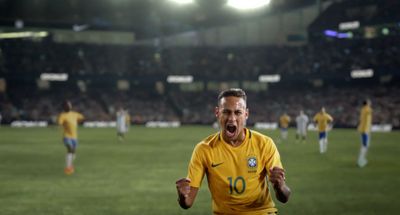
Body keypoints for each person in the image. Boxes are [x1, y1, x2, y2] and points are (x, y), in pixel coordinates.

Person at [176, 88, 291, 214]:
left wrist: (280, 187)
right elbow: (187, 203)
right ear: (217, 112)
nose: (232, 118)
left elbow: (284, 197)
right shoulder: (204, 149)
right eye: (226, 112)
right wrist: (182, 196)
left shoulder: (264, 144)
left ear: (246, 114)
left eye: (238, 112)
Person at [57, 100, 84, 175]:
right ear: (64, 107)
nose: (69, 106)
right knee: (70, 149)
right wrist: (59, 127)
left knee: (73, 152)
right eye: (67, 105)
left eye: (70, 105)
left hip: (74, 137)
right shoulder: (62, 115)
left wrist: (80, 121)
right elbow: (60, 124)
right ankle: (68, 167)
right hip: (67, 136)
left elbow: (82, 118)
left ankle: (70, 165)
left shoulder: (74, 114)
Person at [357, 99, 373, 168]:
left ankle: (362, 159)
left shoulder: (363, 109)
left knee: (365, 145)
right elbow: (371, 111)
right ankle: (361, 161)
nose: (370, 103)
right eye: (369, 102)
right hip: (364, 130)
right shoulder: (367, 109)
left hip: (363, 129)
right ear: (367, 104)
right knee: (365, 145)